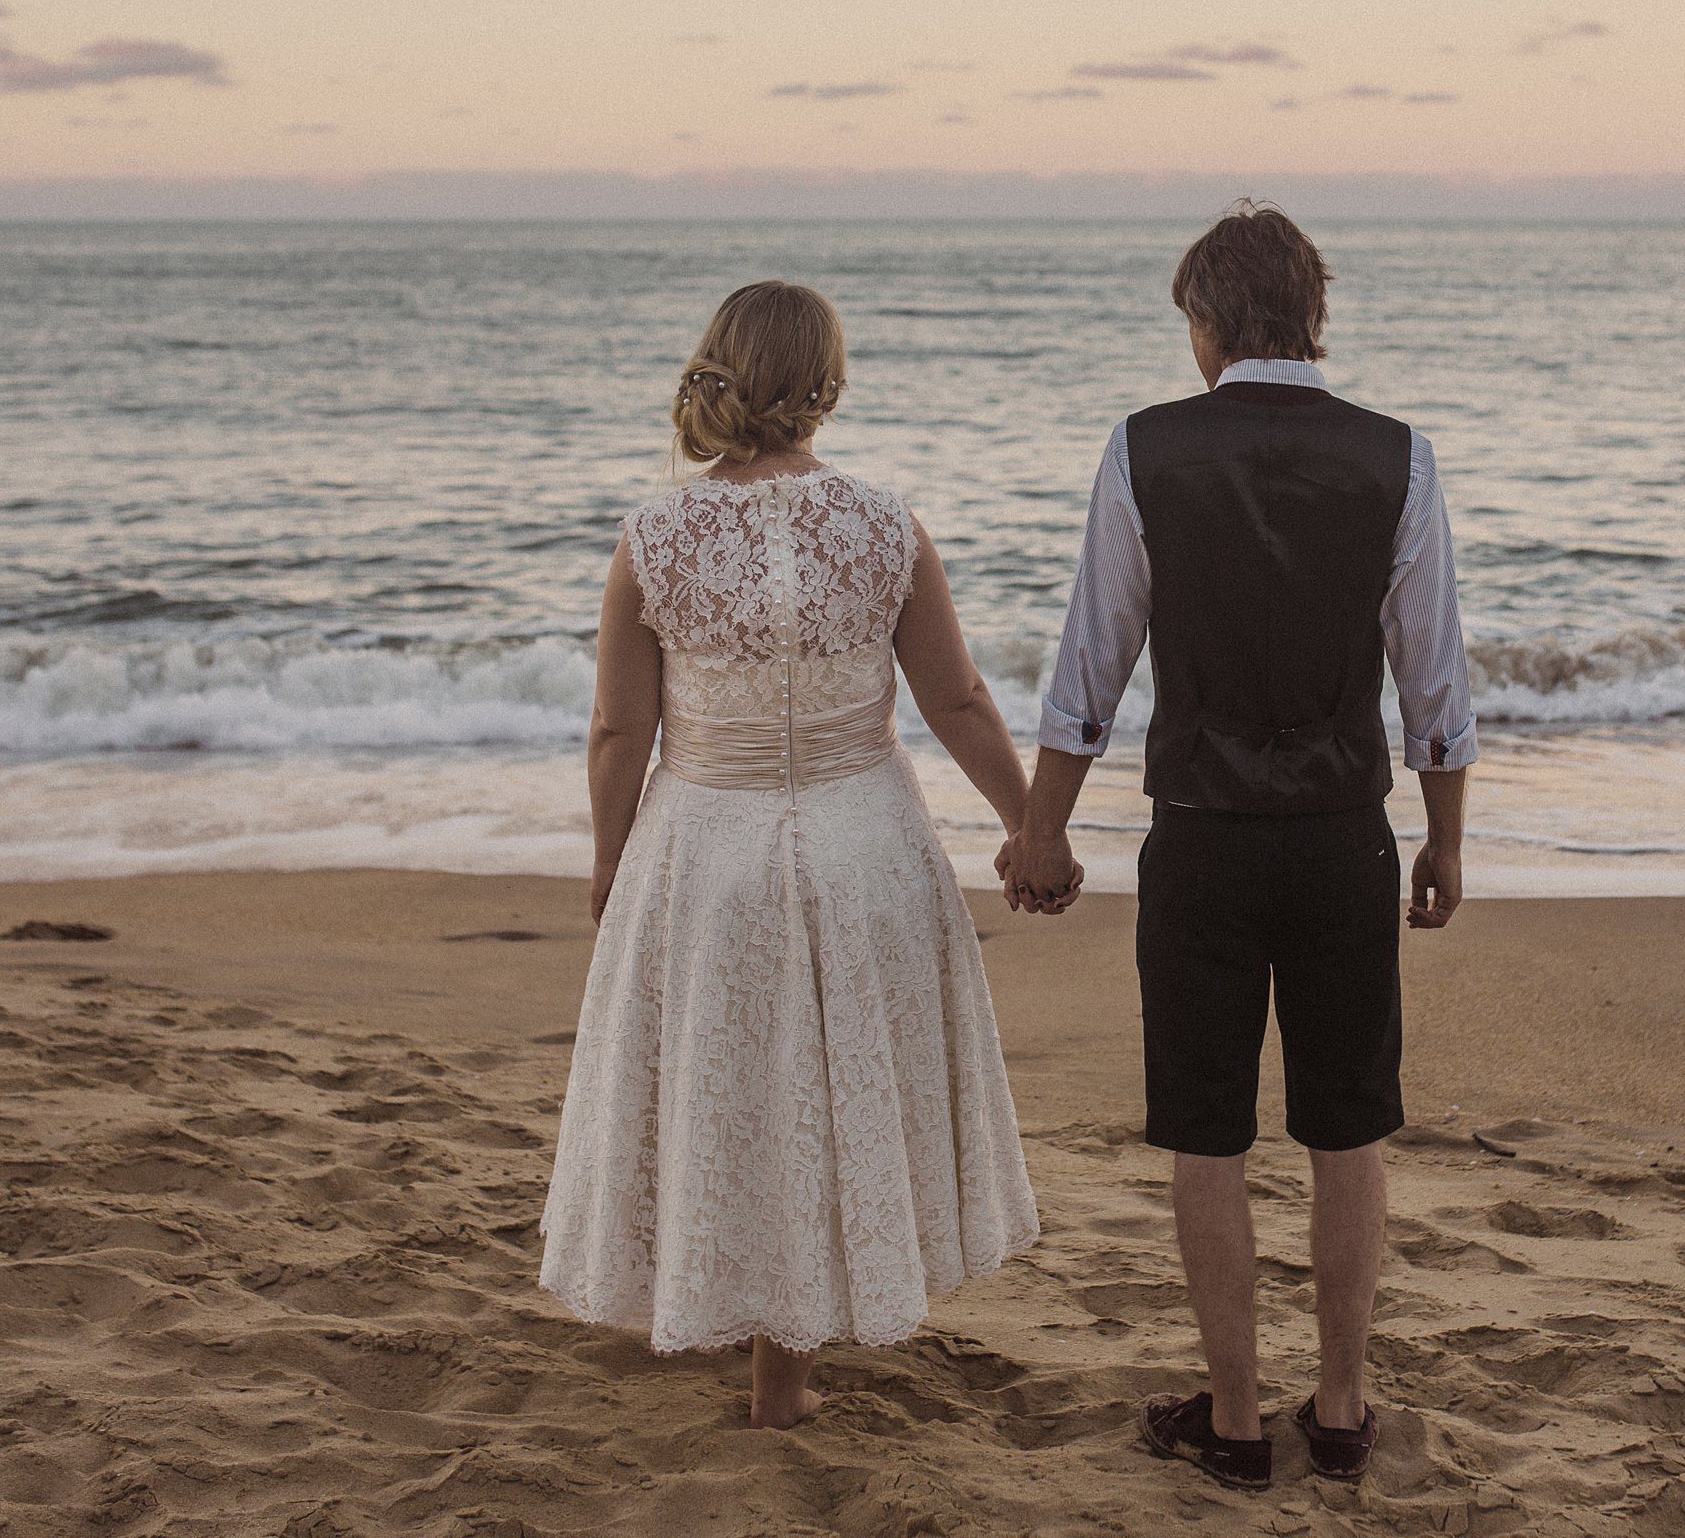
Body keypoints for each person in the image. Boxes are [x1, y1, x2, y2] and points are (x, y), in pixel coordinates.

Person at [1000, 202, 1475, 1491]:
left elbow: (1090, 661)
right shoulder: (1398, 457)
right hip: (1341, 836)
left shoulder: (1149, 449)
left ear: (1207, 323)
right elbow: (1434, 679)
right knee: (1346, 1126)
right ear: (1314, 314)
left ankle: (1235, 1418)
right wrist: (1444, 839)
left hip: (1203, 838)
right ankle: (1340, 1405)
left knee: (1206, 1132)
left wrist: (1043, 828)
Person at [539, 280, 1040, 1429]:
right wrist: (1026, 823)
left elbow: (621, 730)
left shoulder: (651, 536)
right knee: (824, 1087)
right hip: (862, 840)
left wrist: (609, 862)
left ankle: (764, 1354)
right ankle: (790, 1375)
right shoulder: (884, 524)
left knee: (738, 1093)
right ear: (826, 385)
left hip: (706, 851)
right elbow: (955, 697)